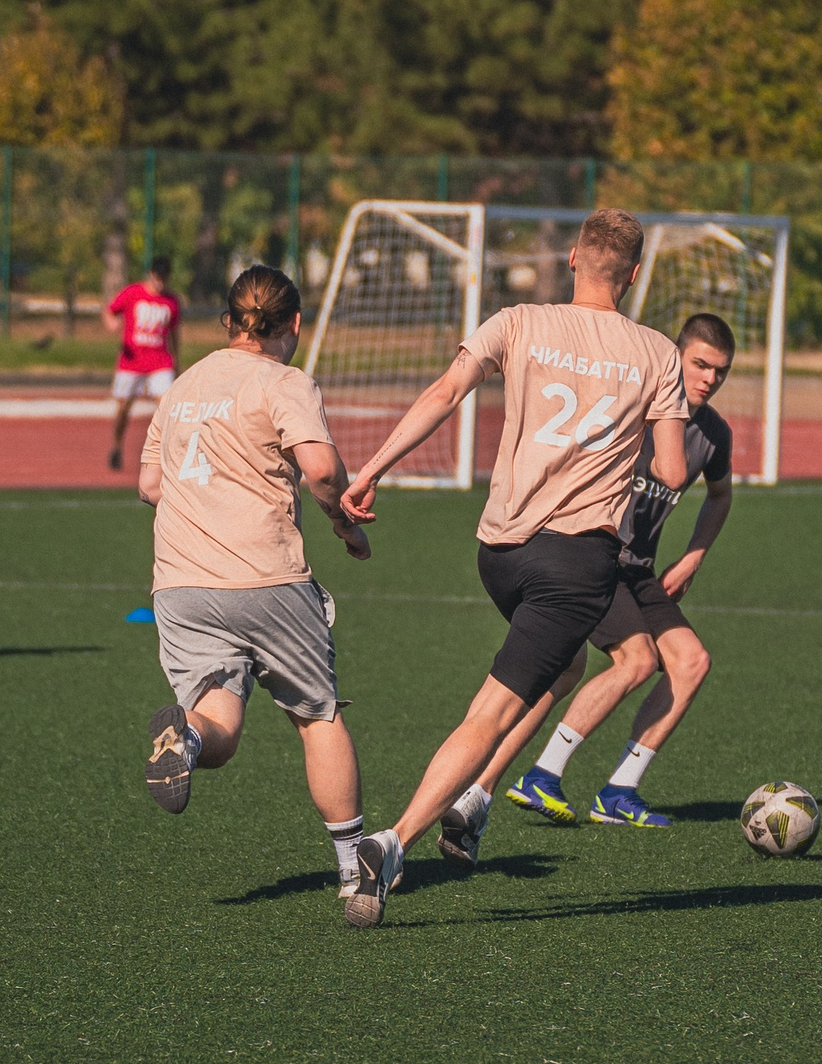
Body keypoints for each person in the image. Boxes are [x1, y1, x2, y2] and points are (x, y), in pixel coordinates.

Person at [338, 208, 689, 923]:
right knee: (496, 705)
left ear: (571, 260)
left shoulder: (518, 319)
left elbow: (443, 393)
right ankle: (395, 839)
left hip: (499, 551)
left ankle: (478, 797)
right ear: (633, 273)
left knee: (561, 669)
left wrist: (370, 469)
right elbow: (674, 469)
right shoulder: (656, 351)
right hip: (575, 563)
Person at [135, 265, 379, 924]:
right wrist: (341, 520)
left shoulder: (183, 385)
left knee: (220, 723)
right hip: (266, 577)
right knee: (316, 714)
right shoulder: (284, 380)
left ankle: (183, 740)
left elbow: (151, 486)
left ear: (228, 321)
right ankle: (355, 872)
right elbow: (322, 468)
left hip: (182, 583)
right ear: (293, 323)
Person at [477, 311, 739, 832]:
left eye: (721, 371)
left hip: (638, 570)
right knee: (635, 661)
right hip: (593, 559)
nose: (709, 378)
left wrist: (693, 555)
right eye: (700, 365)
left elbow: (720, 494)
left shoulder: (712, 434)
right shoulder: (635, 408)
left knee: (691, 662)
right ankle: (542, 776)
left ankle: (619, 790)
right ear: (675, 358)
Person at [106, 255, 183, 471]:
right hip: (132, 362)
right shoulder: (133, 293)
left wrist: (177, 361)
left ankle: (163, 454)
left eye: (164, 278)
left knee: (166, 407)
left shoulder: (172, 302)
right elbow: (110, 310)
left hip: (160, 361)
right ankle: (116, 446)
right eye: (158, 277)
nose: (161, 282)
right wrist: (112, 323)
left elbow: (175, 334)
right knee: (123, 408)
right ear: (151, 274)